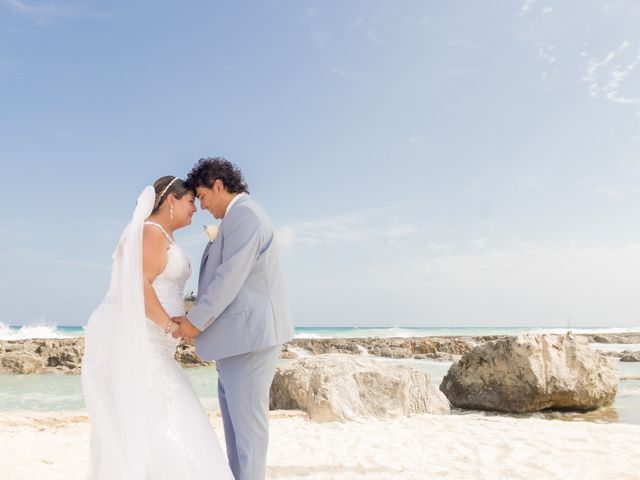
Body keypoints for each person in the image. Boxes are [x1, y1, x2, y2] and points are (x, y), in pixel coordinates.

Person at [81, 176, 233, 479]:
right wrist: (171, 327)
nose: (195, 208)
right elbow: (139, 286)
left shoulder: (160, 234)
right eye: (190, 200)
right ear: (170, 200)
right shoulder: (151, 233)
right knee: (166, 416)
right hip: (146, 340)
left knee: (153, 418)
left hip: (155, 343)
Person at [172, 157, 294, 480]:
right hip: (236, 345)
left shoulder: (246, 216)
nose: (203, 206)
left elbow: (228, 279)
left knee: (249, 441)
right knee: (237, 439)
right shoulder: (236, 218)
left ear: (219, 186)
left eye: (203, 197)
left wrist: (193, 322)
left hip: (249, 343)